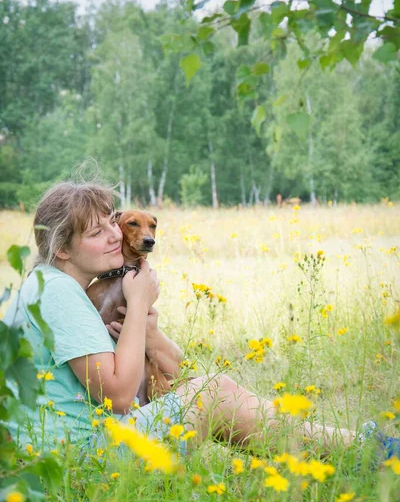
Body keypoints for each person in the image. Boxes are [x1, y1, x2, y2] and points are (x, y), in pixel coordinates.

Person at [3, 182, 399, 462]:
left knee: (210, 389)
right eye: (95, 231)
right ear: (61, 248)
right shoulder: (59, 295)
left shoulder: (47, 285)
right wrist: (138, 305)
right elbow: (120, 396)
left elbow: (181, 371)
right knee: (213, 394)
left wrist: (149, 332)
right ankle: (362, 450)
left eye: (111, 223)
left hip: (69, 449)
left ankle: (355, 448)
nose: (112, 236)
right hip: (82, 458)